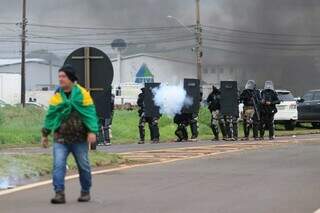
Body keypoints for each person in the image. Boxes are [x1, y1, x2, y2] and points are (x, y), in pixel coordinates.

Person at [41, 64, 98, 204]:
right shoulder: (57, 96)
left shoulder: (83, 94)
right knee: (59, 165)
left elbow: (90, 114)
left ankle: (85, 191)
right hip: (60, 138)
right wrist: (45, 134)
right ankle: (59, 193)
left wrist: (92, 131)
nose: (60, 79)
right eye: (59, 76)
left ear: (71, 78)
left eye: (63, 76)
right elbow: (51, 116)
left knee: (83, 165)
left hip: (79, 139)